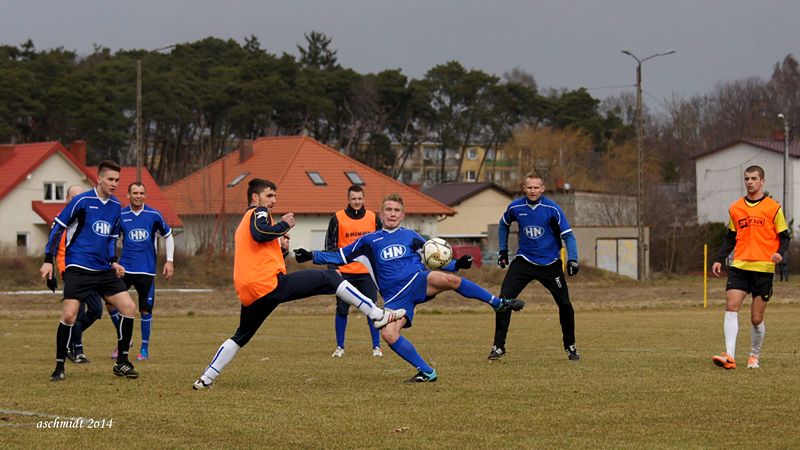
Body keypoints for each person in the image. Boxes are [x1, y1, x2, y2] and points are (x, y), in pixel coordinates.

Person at [192, 179, 404, 390]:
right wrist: (284, 224)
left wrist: (281, 248)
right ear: (255, 198)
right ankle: (378, 314)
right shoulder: (258, 212)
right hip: (268, 285)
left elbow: (260, 249)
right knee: (331, 278)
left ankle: (206, 378)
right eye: (269, 196)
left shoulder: (242, 224)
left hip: (251, 291)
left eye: (275, 196)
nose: (273, 200)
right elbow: (261, 232)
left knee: (241, 335)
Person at [294, 193, 525, 383]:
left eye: (396, 211)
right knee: (388, 334)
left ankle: (497, 303)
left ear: (402, 215)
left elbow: (434, 256)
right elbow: (340, 255)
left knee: (449, 280)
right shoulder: (369, 241)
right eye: (388, 210)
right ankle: (427, 372)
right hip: (395, 299)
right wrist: (311, 255)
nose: (392, 214)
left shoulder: (411, 236)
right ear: (381, 214)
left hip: (418, 280)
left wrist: (456, 264)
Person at [40, 160, 140, 382]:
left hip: (103, 269)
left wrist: (114, 261)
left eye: (117, 180)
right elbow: (58, 227)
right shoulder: (82, 200)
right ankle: (59, 367)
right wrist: (48, 259)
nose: (114, 184)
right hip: (79, 267)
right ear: (99, 179)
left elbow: (112, 239)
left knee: (129, 307)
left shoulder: (116, 207)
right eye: (110, 179)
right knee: (69, 315)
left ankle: (122, 362)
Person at [488, 173, 581, 362]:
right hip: (524, 261)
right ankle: (498, 346)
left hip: (550, 264)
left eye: (536, 187)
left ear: (543, 188)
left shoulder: (552, 209)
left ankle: (570, 346)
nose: (532, 191)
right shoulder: (515, 207)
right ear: (523, 188)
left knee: (565, 305)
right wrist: (503, 251)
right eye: (529, 187)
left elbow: (568, 236)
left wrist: (573, 260)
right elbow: (503, 225)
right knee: (503, 300)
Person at [711, 165, 789, 370]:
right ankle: (729, 355)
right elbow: (730, 238)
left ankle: (754, 356)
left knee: (756, 319)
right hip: (740, 266)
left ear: (762, 181)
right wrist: (719, 258)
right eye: (747, 179)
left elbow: (785, 237)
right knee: (731, 305)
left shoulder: (774, 208)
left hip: (763, 269)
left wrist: (780, 253)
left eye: (754, 178)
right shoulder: (735, 208)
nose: (750, 182)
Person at [107, 182, 174, 361]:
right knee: (111, 303)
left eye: (141, 193)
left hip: (146, 271)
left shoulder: (154, 215)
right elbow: (112, 239)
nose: (138, 196)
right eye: (135, 193)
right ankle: (124, 342)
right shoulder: (121, 215)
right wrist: (112, 261)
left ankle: (144, 348)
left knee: (145, 309)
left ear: (145, 195)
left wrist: (169, 260)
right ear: (128, 195)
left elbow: (168, 235)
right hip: (124, 269)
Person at [325, 185, 383, 357]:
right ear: (348, 200)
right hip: (345, 273)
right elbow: (330, 245)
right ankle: (340, 347)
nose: (357, 202)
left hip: (367, 273)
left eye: (359, 199)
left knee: (372, 308)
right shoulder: (337, 218)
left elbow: (380, 243)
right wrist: (333, 268)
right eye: (353, 199)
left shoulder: (374, 218)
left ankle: (376, 347)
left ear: (363, 199)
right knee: (342, 309)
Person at [53, 185, 105, 365]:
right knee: (75, 312)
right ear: (67, 199)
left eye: (80, 196)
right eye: (73, 197)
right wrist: (61, 271)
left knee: (97, 310)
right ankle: (78, 350)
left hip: (91, 271)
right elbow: (57, 249)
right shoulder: (63, 220)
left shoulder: (88, 216)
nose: (77, 200)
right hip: (73, 272)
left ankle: (71, 338)